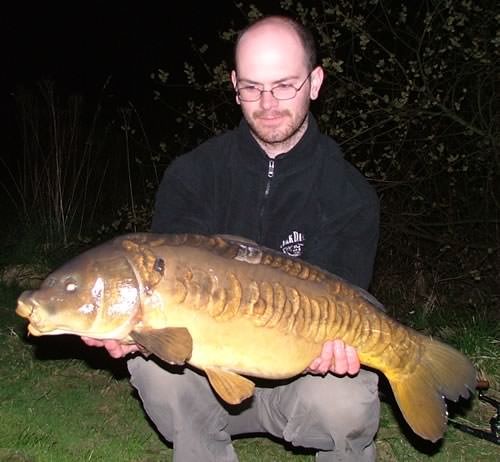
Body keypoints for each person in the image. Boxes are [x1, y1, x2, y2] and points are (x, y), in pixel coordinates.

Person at [83, 14, 380, 462]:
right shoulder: (193, 175)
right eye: (252, 87)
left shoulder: (349, 195)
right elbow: (163, 295)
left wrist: (336, 350)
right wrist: (133, 330)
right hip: (208, 381)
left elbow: (343, 301)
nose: (268, 102)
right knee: (152, 369)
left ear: (315, 83)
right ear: (233, 85)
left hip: (301, 382)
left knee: (349, 398)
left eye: (284, 85)